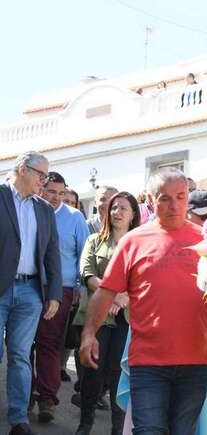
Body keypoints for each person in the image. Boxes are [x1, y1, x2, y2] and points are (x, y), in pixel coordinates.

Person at [80, 168, 207, 434]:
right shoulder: (133, 241)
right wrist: (89, 333)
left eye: (180, 197)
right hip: (148, 361)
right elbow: (106, 291)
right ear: (151, 200)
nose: (174, 205)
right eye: (165, 198)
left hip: (195, 360)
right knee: (148, 430)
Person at [0, 151, 62, 435]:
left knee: (21, 356)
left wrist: (54, 294)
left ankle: (18, 420)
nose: (44, 181)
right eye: (41, 175)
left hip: (30, 292)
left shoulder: (44, 210)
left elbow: (52, 254)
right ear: (23, 169)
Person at [73, 191, 139, 434]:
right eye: (114, 207)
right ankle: (85, 425)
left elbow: (143, 279)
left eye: (123, 208)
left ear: (133, 214)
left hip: (126, 319)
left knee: (118, 374)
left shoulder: (139, 243)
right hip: (97, 316)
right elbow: (87, 274)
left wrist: (125, 298)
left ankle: (117, 429)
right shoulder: (94, 240)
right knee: (92, 373)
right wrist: (113, 295)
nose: (117, 212)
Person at [32, 171, 90, 423]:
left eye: (61, 193)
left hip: (62, 289)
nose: (56, 197)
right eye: (51, 192)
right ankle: (25, 394)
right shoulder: (30, 211)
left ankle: (46, 397)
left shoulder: (75, 217)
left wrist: (80, 287)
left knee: (49, 343)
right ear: (41, 189)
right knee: (23, 345)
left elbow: (84, 255)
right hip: (29, 285)